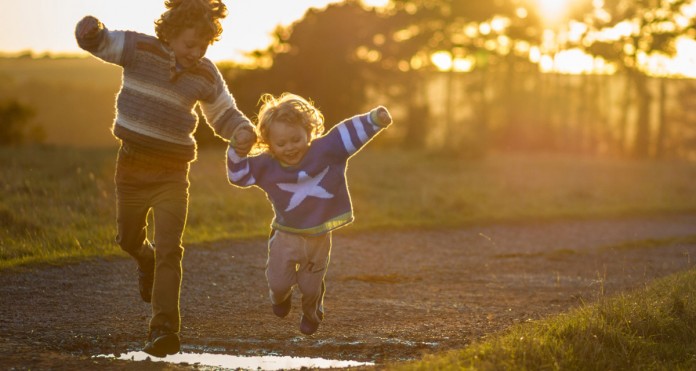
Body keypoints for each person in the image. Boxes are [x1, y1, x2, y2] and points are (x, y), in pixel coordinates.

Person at [74, 0, 256, 357]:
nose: (196, 52)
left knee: (171, 248)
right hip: (131, 166)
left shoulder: (205, 73)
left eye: (203, 46)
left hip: (173, 173)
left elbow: (223, 114)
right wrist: (89, 32)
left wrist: (242, 130)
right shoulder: (140, 49)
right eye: (190, 44)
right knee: (128, 238)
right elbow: (102, 43)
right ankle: (144, 258)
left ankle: (163, 330)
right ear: (170, 34)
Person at [226, 93, 392, 335]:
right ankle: (280, 298)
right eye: (281, 144)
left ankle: (312, 312)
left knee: (310, 287)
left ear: (308, 132)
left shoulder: (325, 150)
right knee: (278, 282)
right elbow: (237, 176)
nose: (290, 148)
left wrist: (374, 120)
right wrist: (236, 149)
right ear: (270, 144)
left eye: (296, 139)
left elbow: (346, 135)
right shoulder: (266, 164)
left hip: (319, 237)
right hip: (285, 235)